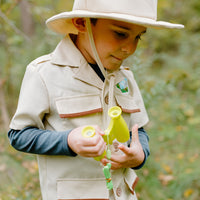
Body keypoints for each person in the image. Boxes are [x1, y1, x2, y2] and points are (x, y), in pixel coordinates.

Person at [8, 0, 184, 199]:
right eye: (120, 33)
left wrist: (140, 153)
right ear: (82, 23)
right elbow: (19, 135)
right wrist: (67, 141)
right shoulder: (44, 73)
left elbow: (138, 130)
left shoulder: (124, 77)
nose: (130, 48)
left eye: (138, 37)